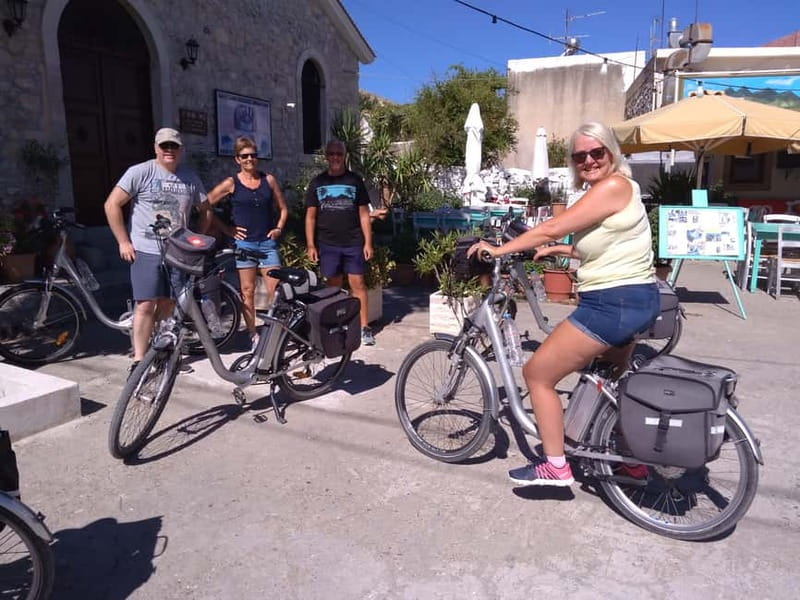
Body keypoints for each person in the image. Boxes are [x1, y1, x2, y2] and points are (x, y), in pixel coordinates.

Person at [468, 121, 660, 487]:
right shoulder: (622, 189)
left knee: (537, 375)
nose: (588, 160)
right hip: (636, 300)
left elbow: (552, 226)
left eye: (596, 152)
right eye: (579, 156)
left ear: (611, 152)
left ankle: (555, 466)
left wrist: (499, 249)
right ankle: (628, 460)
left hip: (612, 304)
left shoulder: (613, 185)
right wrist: (563, 250)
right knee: (605, 381)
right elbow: (612, 242)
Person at [104, 127, 209, 372]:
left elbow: (205, 210)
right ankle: (139, 360)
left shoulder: (190, 178)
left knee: (168, 304)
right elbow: (112, 204)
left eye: (174, 146)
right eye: (164, 146)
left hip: (177, 251)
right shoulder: (140, 172)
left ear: (181, 150)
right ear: (156, 148)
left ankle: (164, 353)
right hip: (146, 248)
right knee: (145, 305)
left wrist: (198, 239)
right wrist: (123, 241)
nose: (169, 150)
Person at [206, 136, 288, 350]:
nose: (249, 159)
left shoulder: (268, 180)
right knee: (248, 292)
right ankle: (254, 336)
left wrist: (278, 227)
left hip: (267, 244)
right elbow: (204, 205)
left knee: (277, 292)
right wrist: (227, 229)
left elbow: (283, 208)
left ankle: (277, 334)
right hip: (245, 246)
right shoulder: (231, 183)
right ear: (237, 159)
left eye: (253, 155)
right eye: (245, 156)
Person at [304, 139, 375, 346]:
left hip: (353, 242)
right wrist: (310, 245)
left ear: (344, 156)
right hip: (327, 244)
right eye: (332, 153)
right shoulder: (317, 183)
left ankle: (364, 328)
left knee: (358, 285)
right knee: (333, 287)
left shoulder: (355, 181)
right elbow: (310, 217)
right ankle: (336, 325)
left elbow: (364, 215)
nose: (335, 157)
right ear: (326, 156)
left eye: (339, 154)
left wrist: (368, 243)